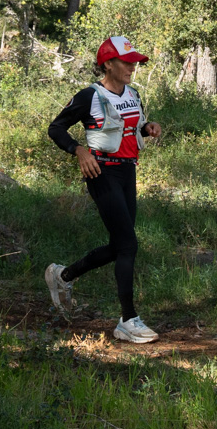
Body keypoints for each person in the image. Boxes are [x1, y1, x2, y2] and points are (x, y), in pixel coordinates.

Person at [44, 36, 164, 343]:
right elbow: (56, 128)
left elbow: (133, 125)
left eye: (135, 63)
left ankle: (63, 275)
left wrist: (147, 128)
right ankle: (128, 320)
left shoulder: (133, 93)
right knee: (128, 245)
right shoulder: (89, 96)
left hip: (127, 172)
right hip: (101, 172)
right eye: (127, 62)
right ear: (108, 64)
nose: (132, 68)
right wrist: (79, 151)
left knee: (121, 244)